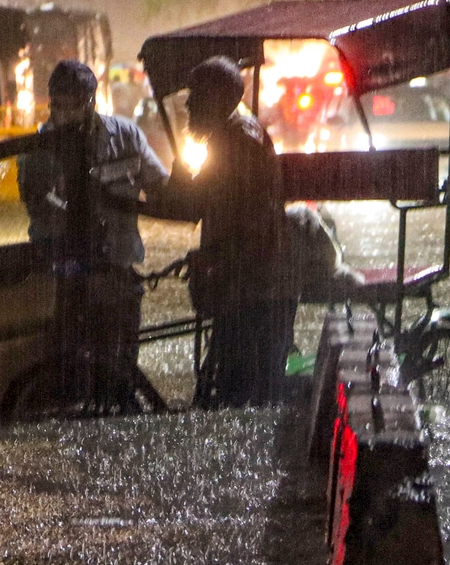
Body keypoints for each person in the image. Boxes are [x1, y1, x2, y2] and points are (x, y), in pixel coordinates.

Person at [19, 60, 168, 413]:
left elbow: (161, 187)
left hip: (116, 270)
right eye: (58, 105)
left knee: (119, 372)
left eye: (74, 104)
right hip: (62, 278)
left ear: (91, 100)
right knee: (66, 377)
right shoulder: (37, 150)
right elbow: (37, 206)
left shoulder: (127, 137)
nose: (65, 114)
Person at [153, 56, 297, 409]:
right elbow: (189, 206)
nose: (187, 104)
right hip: (241, 282)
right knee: (228, 391)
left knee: (240, 398)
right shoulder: (224, 141)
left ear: (219, 99)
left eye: (195, 96)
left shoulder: (239, 144)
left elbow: (253, 226)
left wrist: (211, 257)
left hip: (257, 289)